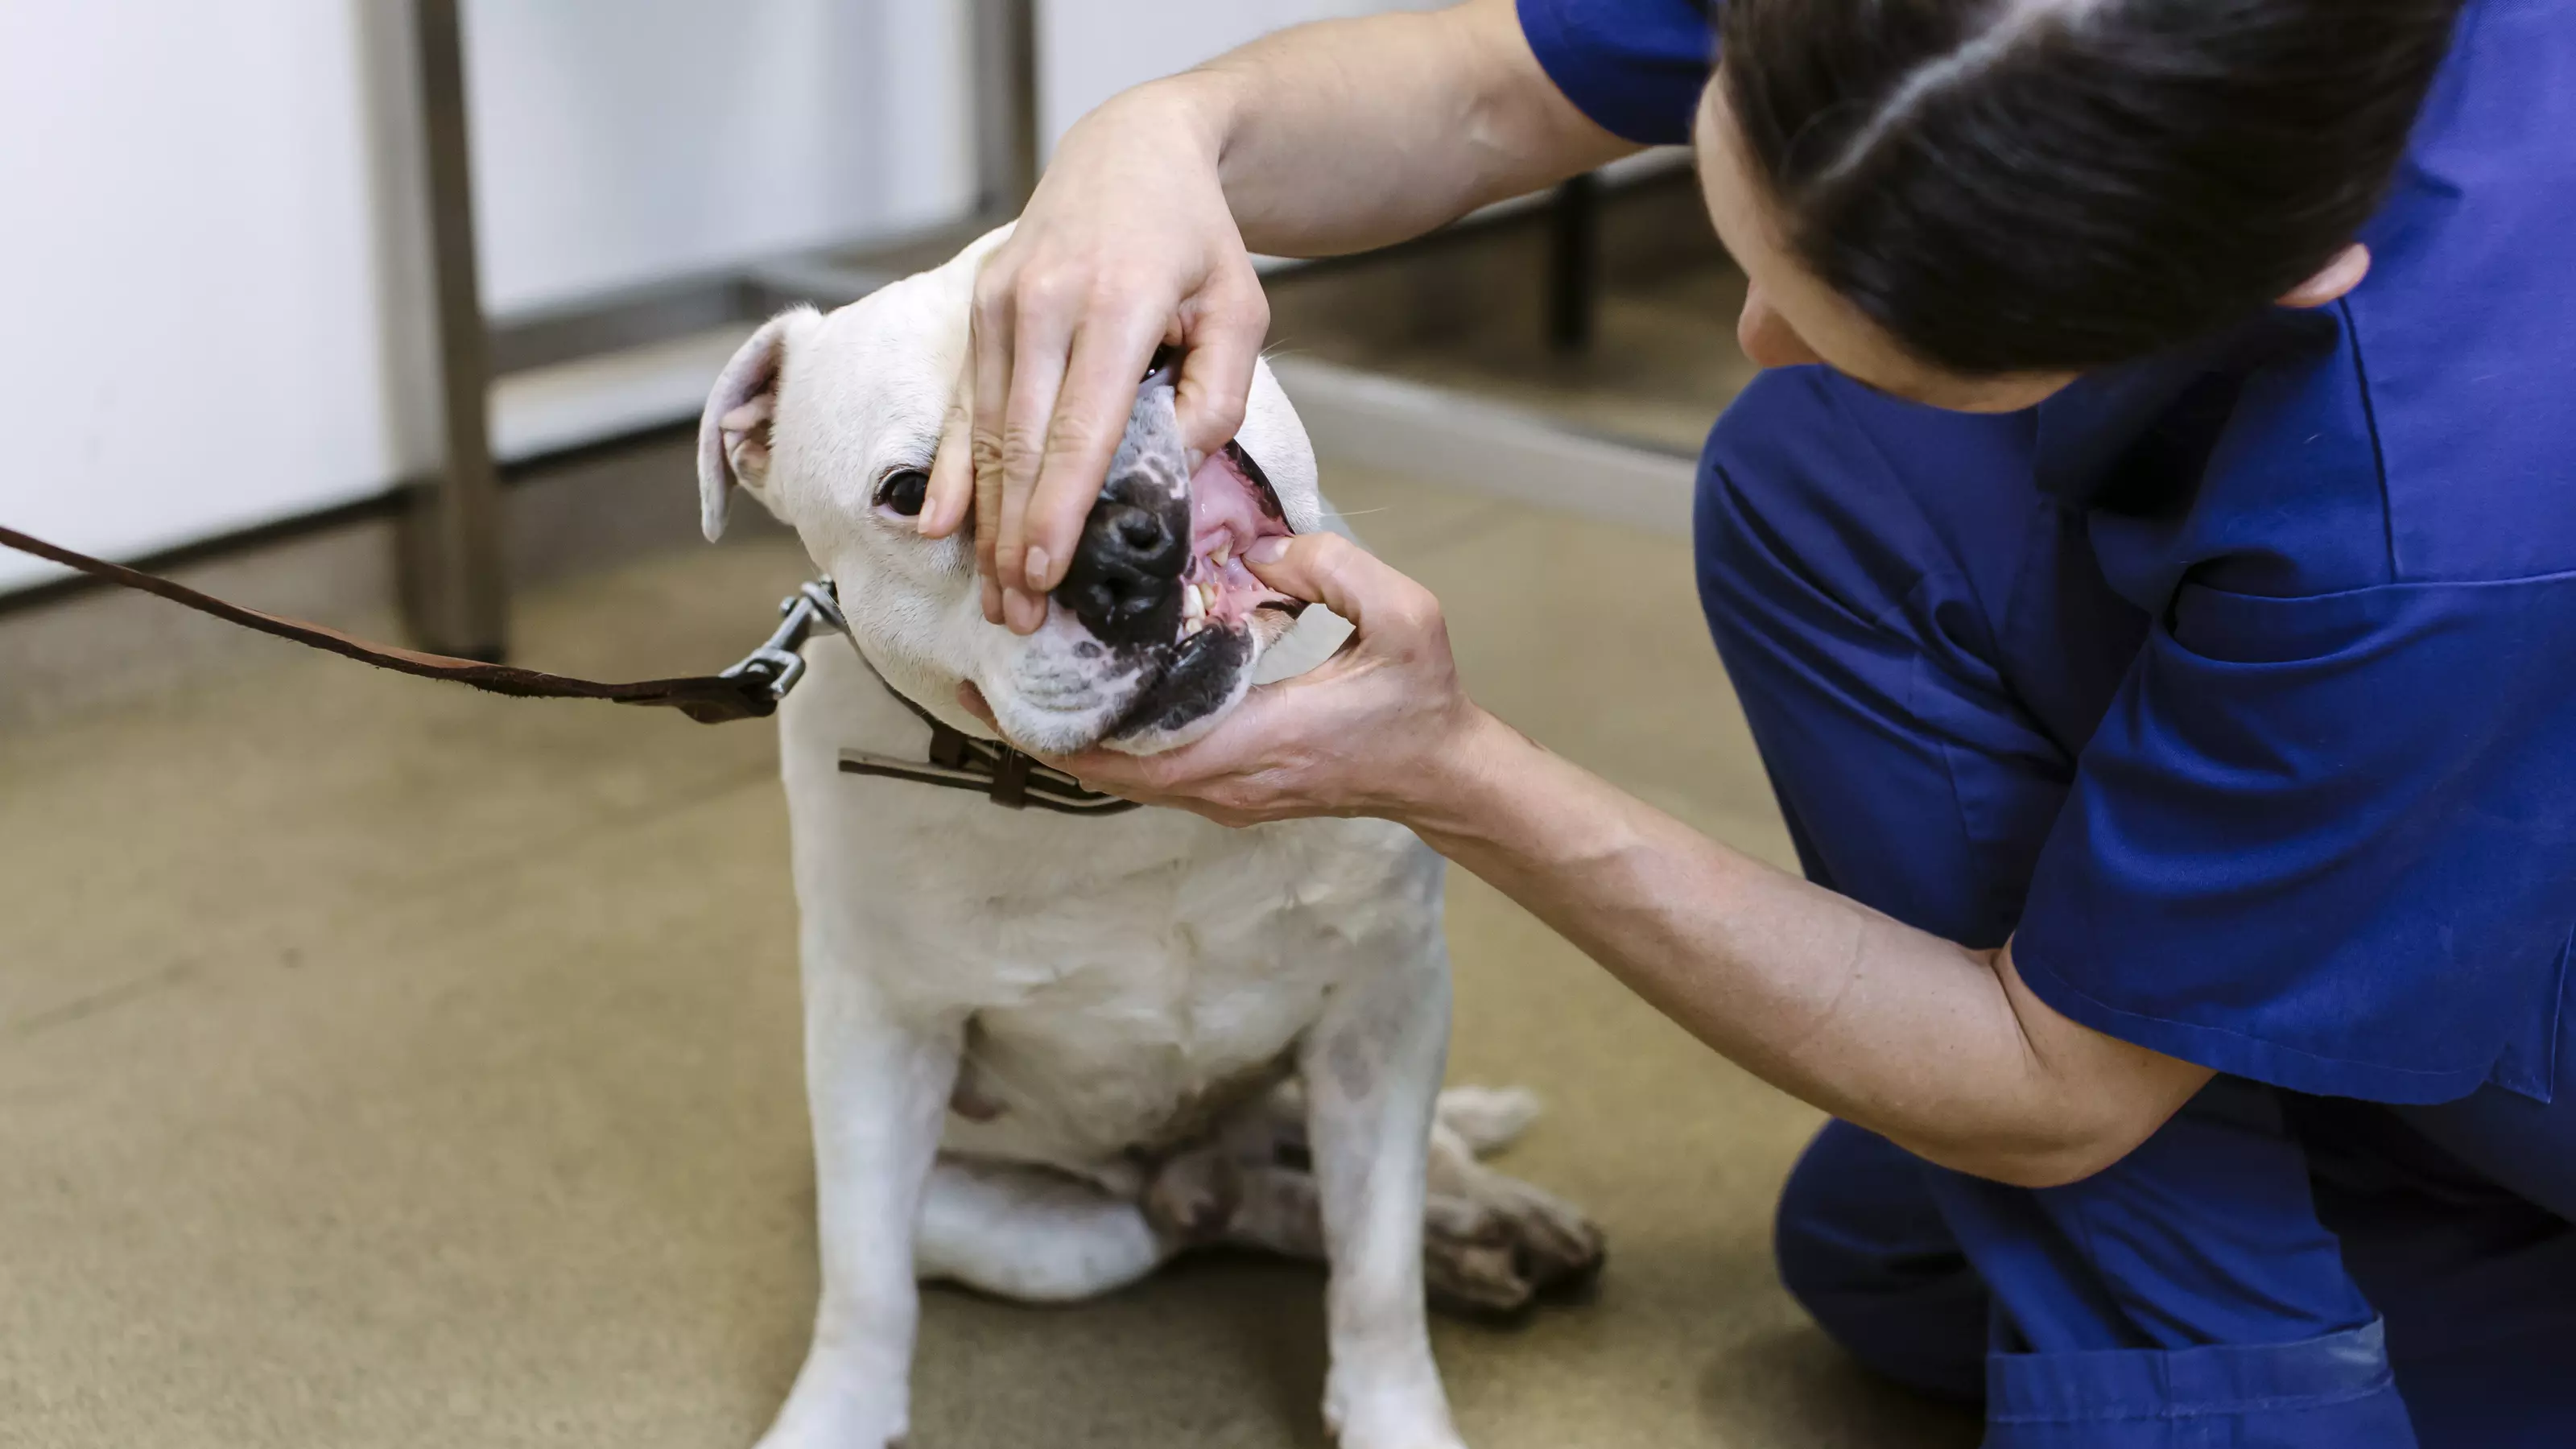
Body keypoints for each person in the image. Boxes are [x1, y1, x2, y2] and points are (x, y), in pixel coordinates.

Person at [921, 2, 2576, 1443]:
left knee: (2048, 1165)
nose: (1753, 333)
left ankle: (2257, 1344)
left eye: (1909, 338)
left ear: (2297, 275)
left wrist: (1454, 774)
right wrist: (1158, 137)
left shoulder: (2429, 512)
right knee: (1889, 1255)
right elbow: (1494, 89)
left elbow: (2051, 1087)